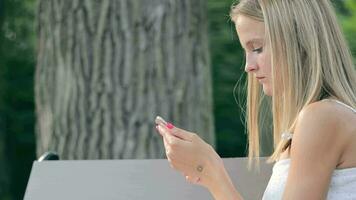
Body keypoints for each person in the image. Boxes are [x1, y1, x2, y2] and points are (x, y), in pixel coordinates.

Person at [155, 0, 356, 199]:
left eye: (257, 48)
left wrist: (210, 169)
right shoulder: (326, 117)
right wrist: (207, 173)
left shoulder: (322, 118)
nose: (248, 66)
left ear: (299, 42)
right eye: (246, 51)